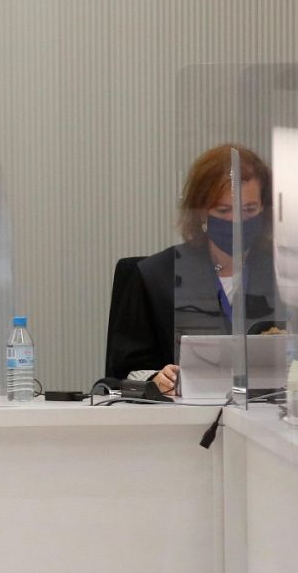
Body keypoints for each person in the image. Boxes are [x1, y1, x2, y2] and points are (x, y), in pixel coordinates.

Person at [107, 144, 281, 395]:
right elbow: (124, 371)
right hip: (183, 419)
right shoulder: (156, 276)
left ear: (264, 209)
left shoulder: (286, 274)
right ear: (201, 212)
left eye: (248, 210)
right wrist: (158, 377)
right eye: (224, 210)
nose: (236, 222)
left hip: (268, 418)